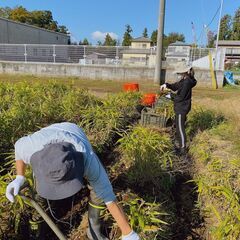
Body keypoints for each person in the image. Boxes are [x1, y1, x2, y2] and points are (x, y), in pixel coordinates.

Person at [5, 122, 140, 240]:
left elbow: (108, 196)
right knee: (40, 197)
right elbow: (18, 147)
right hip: (46, 137)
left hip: (72, 130)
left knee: (98, 193)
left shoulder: (87, 158)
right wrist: (19, 177)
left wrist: (128, 233)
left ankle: (93, 230)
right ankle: (37, 233)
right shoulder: (29, 148)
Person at [160, 65, 197, 155]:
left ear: (184, 72)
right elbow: (176, 86)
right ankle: (180, 144)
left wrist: (170, 96)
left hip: (182, 108)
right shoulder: (185, 80)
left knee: (180, 129)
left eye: (179, 73)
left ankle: (183, 149)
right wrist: (167, 85)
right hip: (182, 106)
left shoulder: (187, 82)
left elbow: (180, 97)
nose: (178, 75)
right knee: (178, 126)